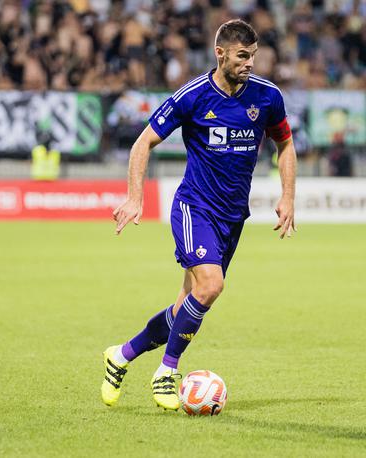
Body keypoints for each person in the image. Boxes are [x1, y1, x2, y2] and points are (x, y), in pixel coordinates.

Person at [103, 20, 296, 411]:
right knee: (210, 286)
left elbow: (285, 145)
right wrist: (135, 197)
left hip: (232, 218)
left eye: (254, 56)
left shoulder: (267, 96)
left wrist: (288, 196)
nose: (250, 63)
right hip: (195, 208)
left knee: (185, 306)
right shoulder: (192, 96)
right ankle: (167, 373)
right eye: (243, 56)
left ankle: (119, 356)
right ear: (220, 53)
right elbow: (142, 144)